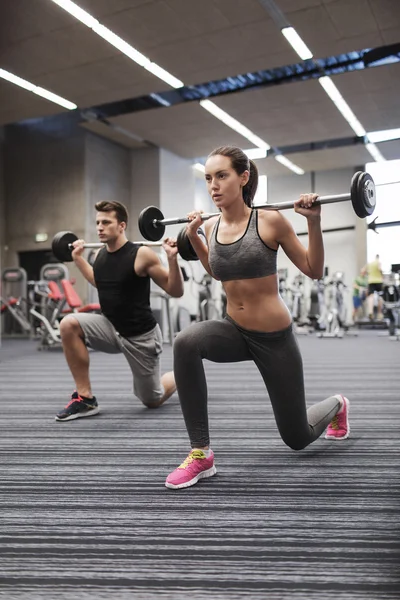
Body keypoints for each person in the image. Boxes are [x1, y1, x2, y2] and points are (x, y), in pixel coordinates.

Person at [165, 145, 350, 490]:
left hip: (274, 338)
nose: (213, 186)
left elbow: (314, 270)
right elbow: (221, 273)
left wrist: (314, 221)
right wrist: (196, 240)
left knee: (297, 437)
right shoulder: (213, 225)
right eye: (208, 178)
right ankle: (201, 453)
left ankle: (337, 404)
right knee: (186, 342)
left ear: (243, 177)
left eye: (222, 176)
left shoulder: (270, 221)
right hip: (234, 329)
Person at [55, 200, 184, 422]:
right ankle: (85, 399)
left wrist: (172, 260)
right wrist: (77, 259)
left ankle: (183, 374)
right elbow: (100, 281)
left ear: (122, 226)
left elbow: (175, 290)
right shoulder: (99, 256)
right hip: (110, 328)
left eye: (106, 222)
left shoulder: (142, 254)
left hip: (140, 337)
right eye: (97, 222)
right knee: (68, 324)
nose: (99, 227)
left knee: (152, 400)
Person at [366, 254, 384, 319]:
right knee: (380, 297)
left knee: (371, 296)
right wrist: (382, 274)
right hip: (378, 281)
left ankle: (370, 312)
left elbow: (365, 271)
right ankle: (380, 313)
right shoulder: (378, 262)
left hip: (371, 281)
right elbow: (380, 269)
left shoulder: (370, 264)